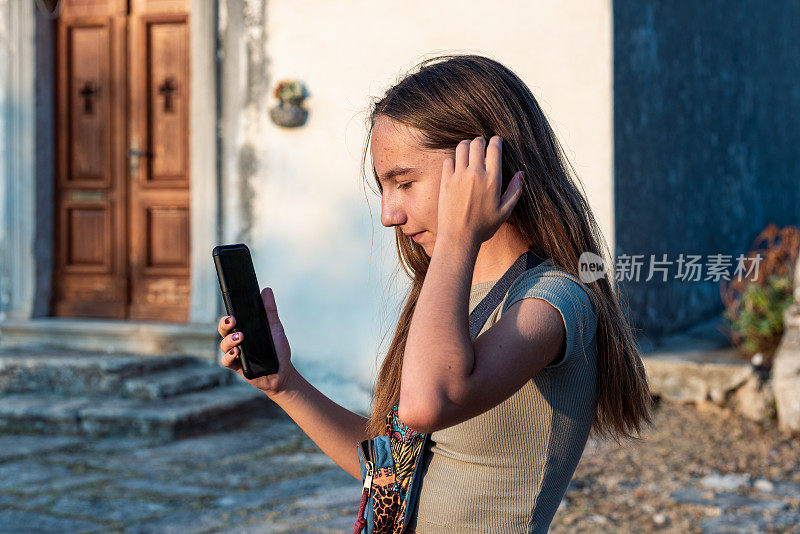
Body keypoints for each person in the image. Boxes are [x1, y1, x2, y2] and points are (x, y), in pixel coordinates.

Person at [218, 53, 652, 533]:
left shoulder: (555, 299)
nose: (388, 214)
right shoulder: (452, 293)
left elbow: (428, 404)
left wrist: (456, 239)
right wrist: (287, 386)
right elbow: (390, 474)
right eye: (384, 187)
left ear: (484, 170)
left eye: (403, 183)